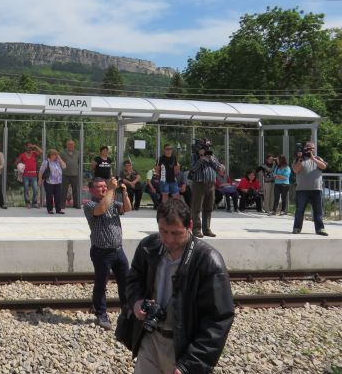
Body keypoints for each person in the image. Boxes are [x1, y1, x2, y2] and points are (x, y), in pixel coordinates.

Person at [123, 199, 234, 374]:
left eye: (175, 233)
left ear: (190, 225)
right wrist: (136, 301)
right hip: (150, 340)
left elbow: (218, 320)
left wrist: (189, 363)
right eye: (163, 231)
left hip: (183, 347)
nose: (168, 239)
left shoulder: (208, 261)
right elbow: (133, 279)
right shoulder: (148, 247)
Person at [83, 176, 132, 330]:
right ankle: (101, 314)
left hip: (118, 250)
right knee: (101, 284)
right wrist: (111, 189)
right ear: (91, 190)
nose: (104, 188)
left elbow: (127, 208)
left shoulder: (112, 202)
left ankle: (128, 312)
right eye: (99, 186)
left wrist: (124, 193)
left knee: (126, 283)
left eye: (105, 186)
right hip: (101, 252)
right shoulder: (90, 205)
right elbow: (102, 209)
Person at [188, 139, 225, 238]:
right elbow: (193, 169)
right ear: (199, 148)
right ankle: (196, 229)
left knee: (208, 208)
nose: (207, 149)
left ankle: (207, 229)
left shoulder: (212, 156)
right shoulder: (194, 156)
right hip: (199, 184)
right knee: (196, 208)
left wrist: (211, 160)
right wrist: (201, 160)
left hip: (211, 185)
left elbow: (219, 168)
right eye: (205, 148)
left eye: (208, 147)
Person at [292, 142, 328, 236]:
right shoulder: (299, 159)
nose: (310, 150)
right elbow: (295, 170)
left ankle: (320, 229)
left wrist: (312, 158)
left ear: (314, 149)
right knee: (300, 210)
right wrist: (300, 159)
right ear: (304, 149)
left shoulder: (318, 158)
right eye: (308, 148)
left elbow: (324, 166)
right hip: (302, 190)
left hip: (316, 189)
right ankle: (297, 228)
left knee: (318, 211)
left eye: (311, 148)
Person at [38, 149, 67, 215]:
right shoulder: (46, 162)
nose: (54, 156)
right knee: (49, 196)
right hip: (49, 182)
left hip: (58, 182)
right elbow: (41, 171)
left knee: (58, 196)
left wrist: (60, 158)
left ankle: (58, 209)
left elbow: (64, 166)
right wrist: (40, 179)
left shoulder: (58, 161)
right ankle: (50, 209)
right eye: (53, 154)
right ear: (49, 155)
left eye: (55, 154)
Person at [15, 142, 43, 207]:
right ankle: (27, 203)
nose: (30, 148)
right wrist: (19, 167)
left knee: (35, 189)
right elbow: (16, 162)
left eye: (31, 147)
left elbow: (41, 152)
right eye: (29, 147)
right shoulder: (22, 155)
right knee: (26, 189)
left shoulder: (34, 153)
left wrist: (35, 146)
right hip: (25, 175)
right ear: (26, 147)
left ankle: (34, 202)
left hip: (33, 175)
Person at [60, 139, 81, 208]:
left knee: (76, 190)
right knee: (64, 190)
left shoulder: (78, 153)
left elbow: (78, 162)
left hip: (75, 174)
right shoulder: (63, 153)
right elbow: (60, 162)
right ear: (66, 145)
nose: (70, 146)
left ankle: (76, 204)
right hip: (65, 174)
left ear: (74, 145)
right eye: (69, 144)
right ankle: (62, 205)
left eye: (72, 144)